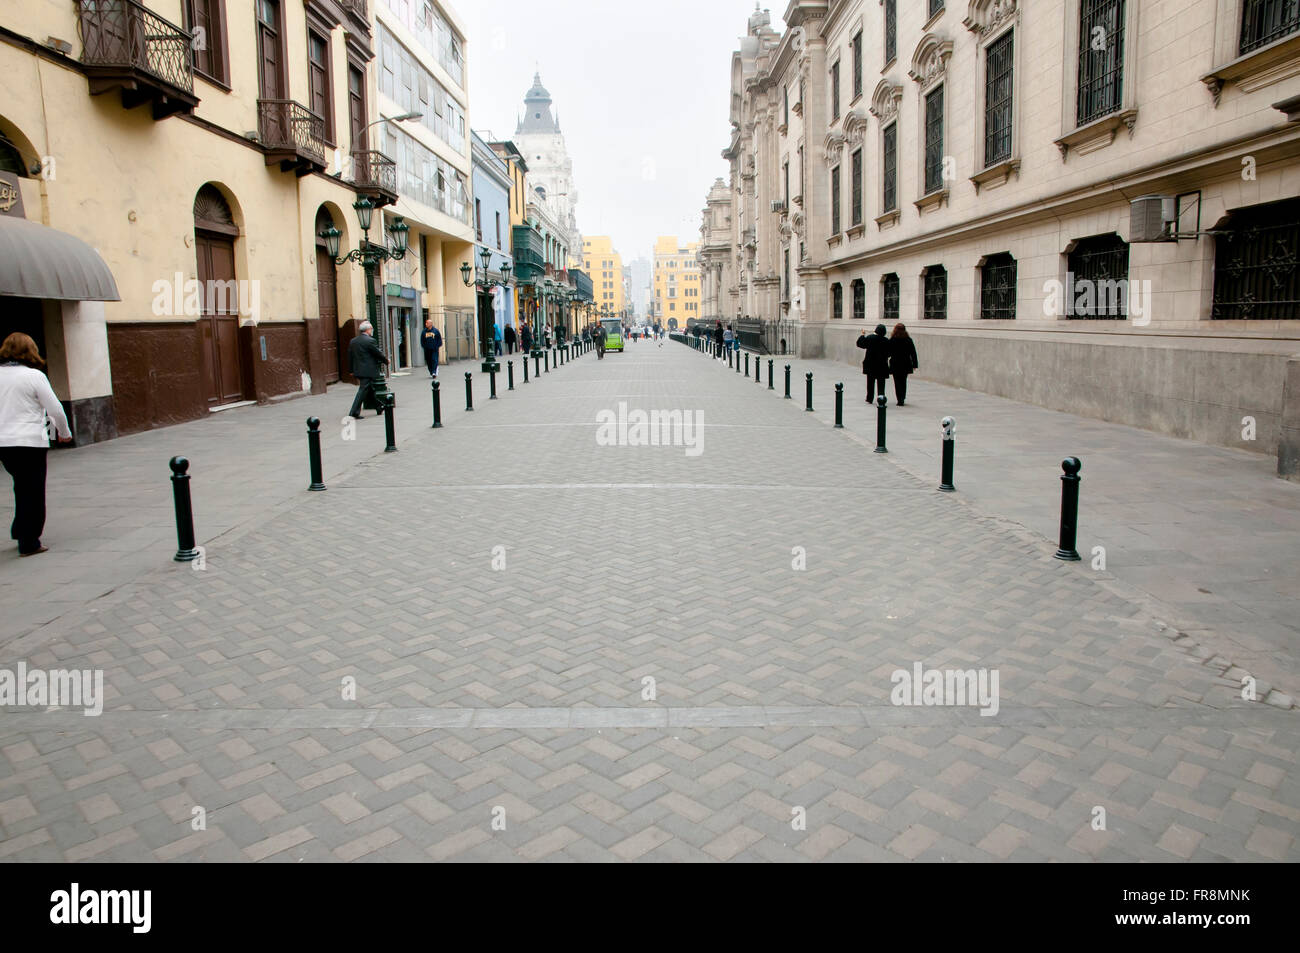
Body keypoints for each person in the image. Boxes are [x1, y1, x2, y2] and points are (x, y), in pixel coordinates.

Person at [0, 332, 72, 557]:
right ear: (31, 350)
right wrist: (64, 432)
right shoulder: (34, 376)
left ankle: (19, 530)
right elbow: (55, 409)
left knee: (20, 486)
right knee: (32, 490)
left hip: (4, 443)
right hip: (29, 442)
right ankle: (29, 541)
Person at [348, 321, 389, 418]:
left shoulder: (353, 341)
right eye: (371, 329)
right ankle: (354, 412)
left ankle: (379, 407)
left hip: (358, 369)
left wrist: (351, 370)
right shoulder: (370, 341)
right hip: (368, 370)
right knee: (363, 390)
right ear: (368, 330)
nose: (372, 331)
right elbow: (377, 353)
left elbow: (350, 356)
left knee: (370, 389)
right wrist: (386, 361)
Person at [857, 324, 892, 403]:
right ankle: (881, 397)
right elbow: (889, 353)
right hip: (882, 364)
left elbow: (860, 344)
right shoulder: (886, 340)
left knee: (870, 382)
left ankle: (869, 398)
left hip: (871, 364)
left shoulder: (870, 338)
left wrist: (862, 335)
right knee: (881, 382)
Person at [889, 322, 918, 406]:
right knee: (903, 381)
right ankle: (902, 396)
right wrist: (915, 364)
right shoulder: (908, 340)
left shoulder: (892, 340)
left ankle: (899, 399)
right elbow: (913, 353)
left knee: (897, 382)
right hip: (906, 363)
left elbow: (889, 352)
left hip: (895, 363)